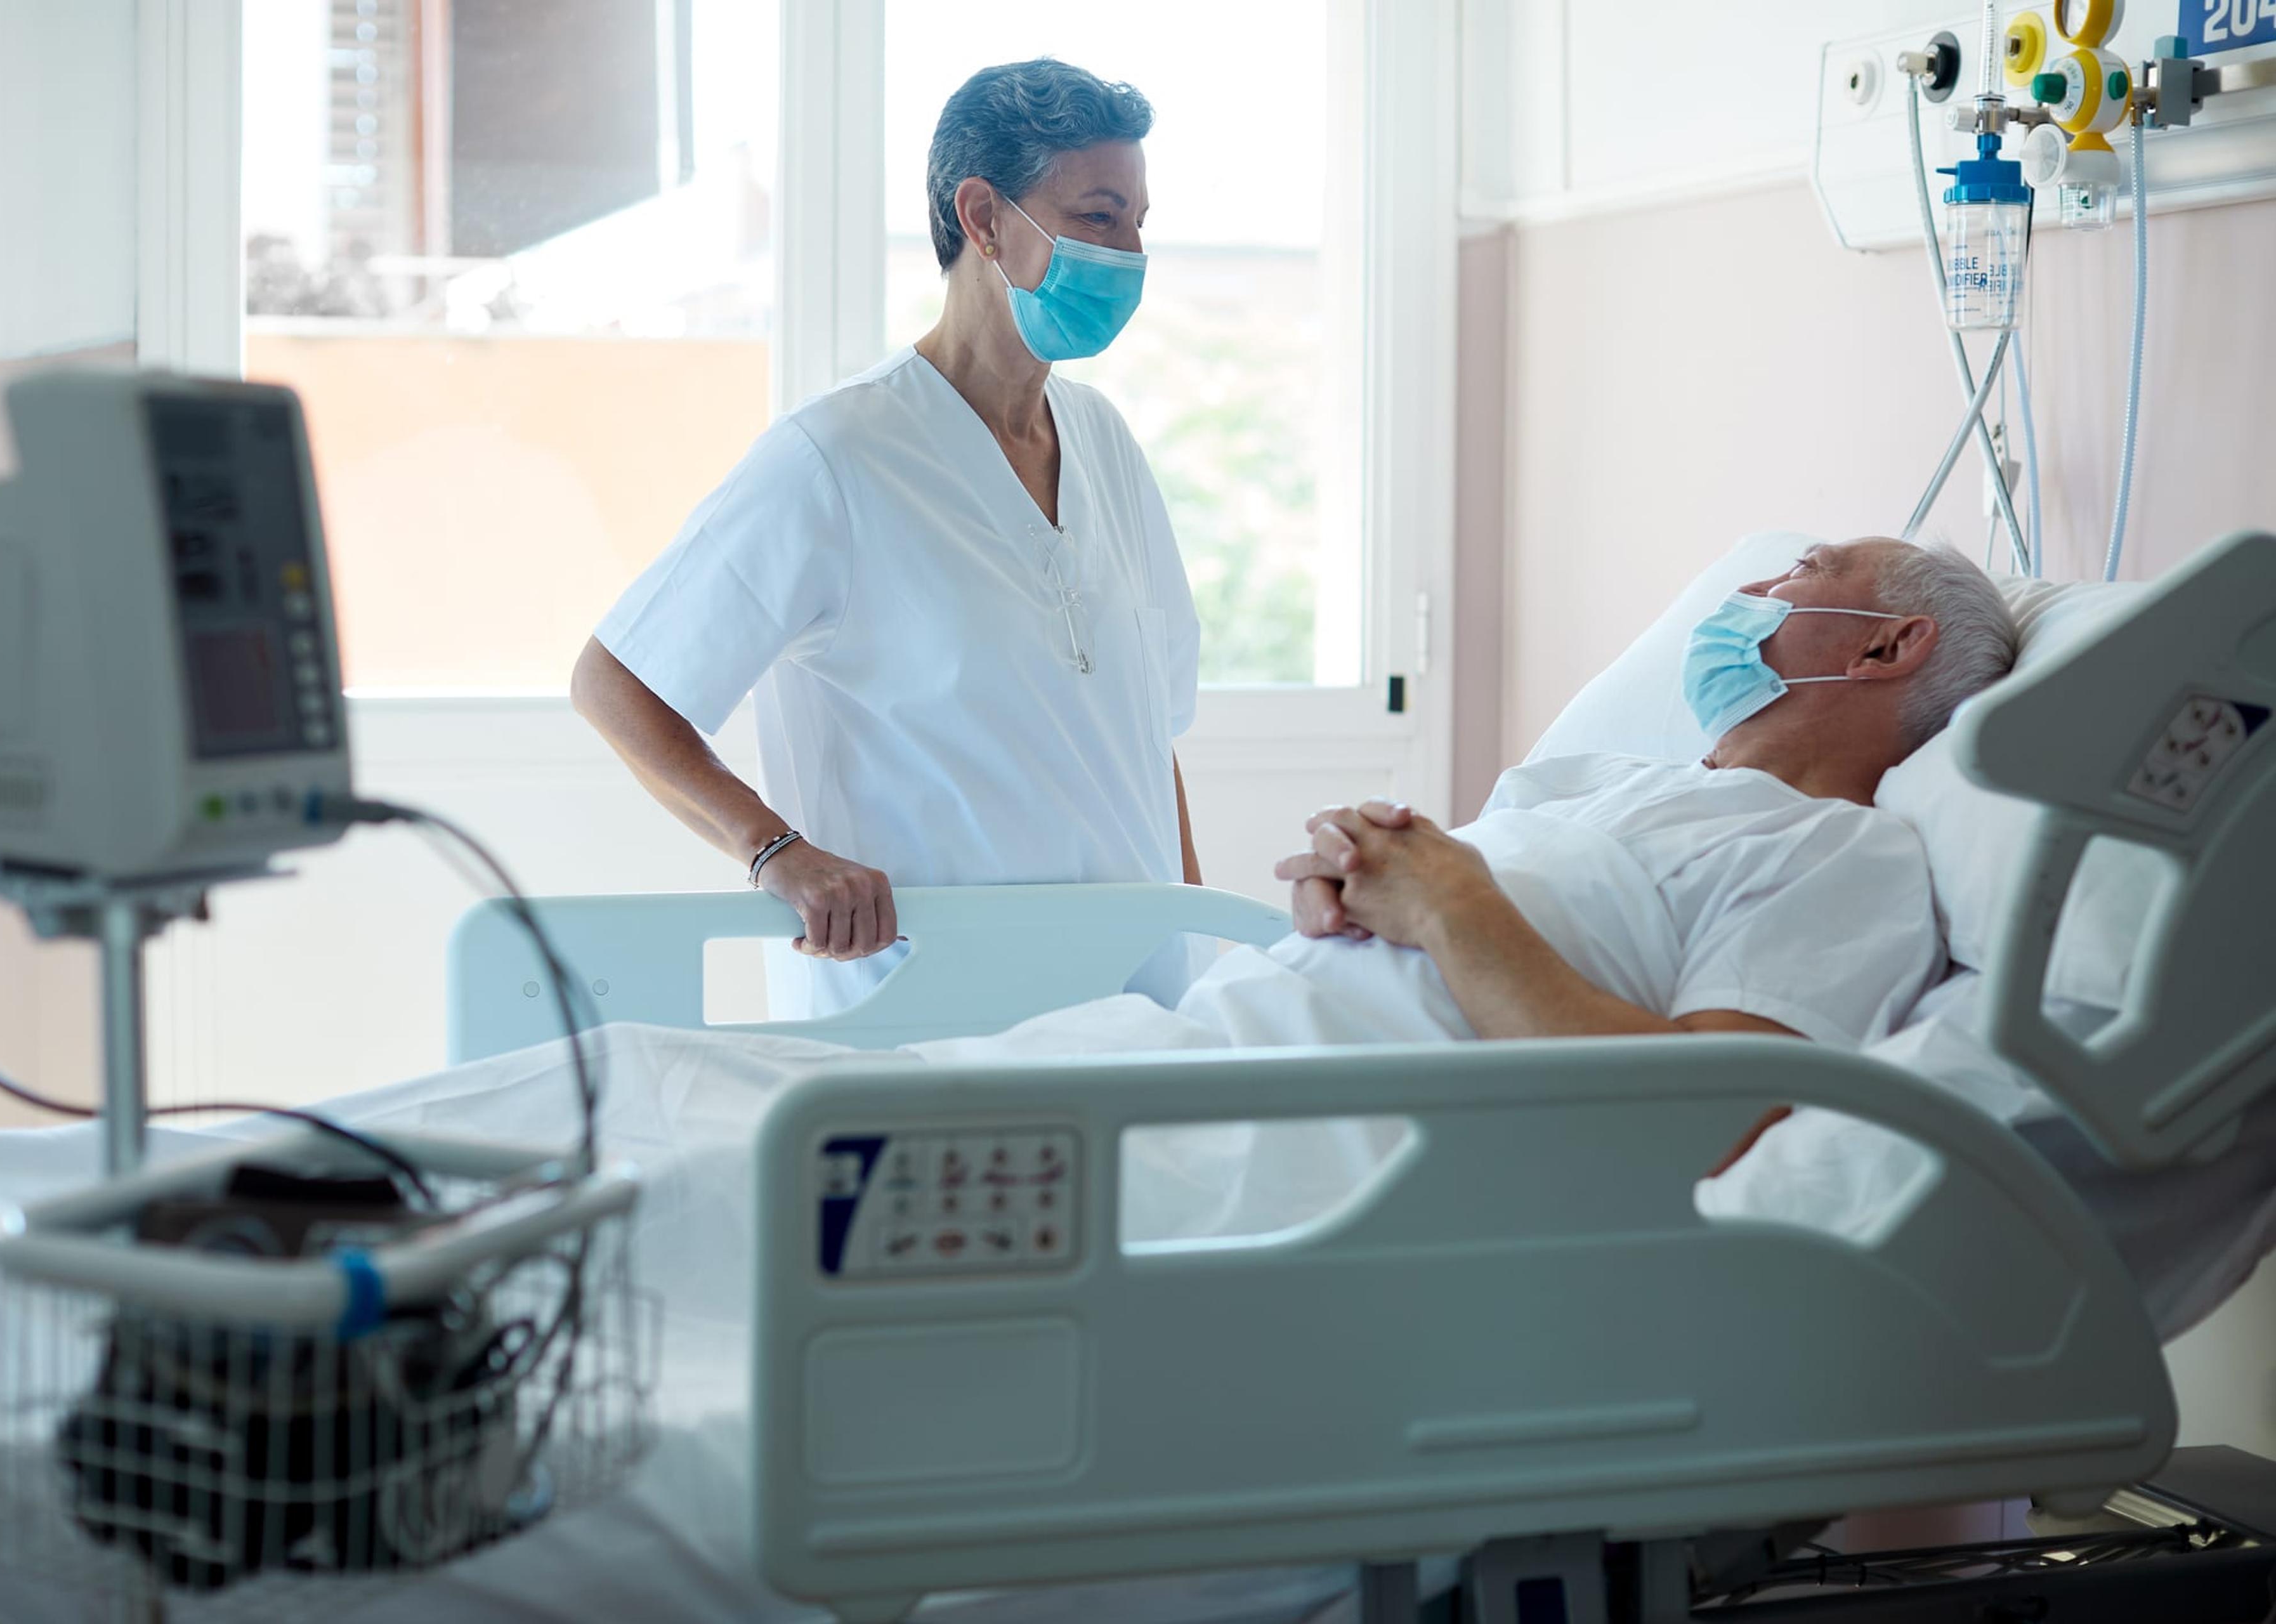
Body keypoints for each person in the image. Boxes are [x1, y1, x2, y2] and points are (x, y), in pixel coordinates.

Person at [572, 58, 1202, 1019]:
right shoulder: (836, 456)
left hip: (1133, 1010)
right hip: (919, 1016)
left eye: (1139, 224)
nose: (1129, 254)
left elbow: (1146, 740)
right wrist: (775, 852)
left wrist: (1200, 950)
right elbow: (615, 683)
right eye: (1099, 218)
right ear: (985, 219)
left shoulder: (1105, 444)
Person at [1238, 537, 2019, 1056]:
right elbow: (1421, 906)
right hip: (1205, 1040)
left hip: (1251, 1139)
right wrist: (1354, 882)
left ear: (1886, 646)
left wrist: (1449, 905)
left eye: (1805, 569)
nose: (1752, 589)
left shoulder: (1845, 856)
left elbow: (1706, 1118)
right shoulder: (1591, 779)